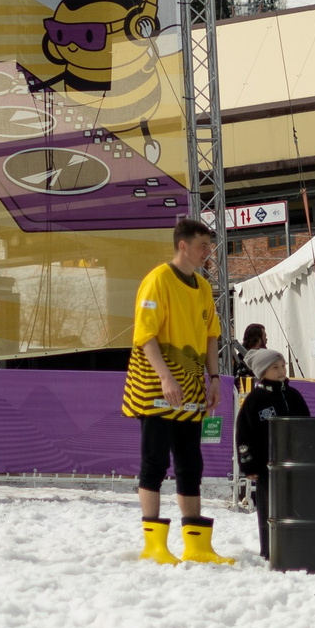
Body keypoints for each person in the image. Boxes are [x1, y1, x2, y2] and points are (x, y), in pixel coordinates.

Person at [127, 217, 233, 566]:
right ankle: (153, 544)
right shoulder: (157, 280)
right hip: (154, 385)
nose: (208, 252)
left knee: (191, 462)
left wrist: (215, 378)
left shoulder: (202, 287)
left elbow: (210, 334)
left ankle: (197, 544)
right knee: (154, 461)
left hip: (190, 386)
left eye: (210, 246)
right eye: (203, 245)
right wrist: (164, 378)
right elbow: (145, 336)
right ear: (183, 245)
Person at [233, 346, 308, 558]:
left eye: (283, 365)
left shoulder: (294, 395)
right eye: (275, 367)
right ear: (262, 371)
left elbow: (309, 427)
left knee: (297, 503)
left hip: (296, 463)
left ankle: (299, 546)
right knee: (269, 506)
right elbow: (244, 435)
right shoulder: (255, 400)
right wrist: (248, 464)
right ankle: (270, 549)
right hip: (267, 466)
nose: (281, 370)